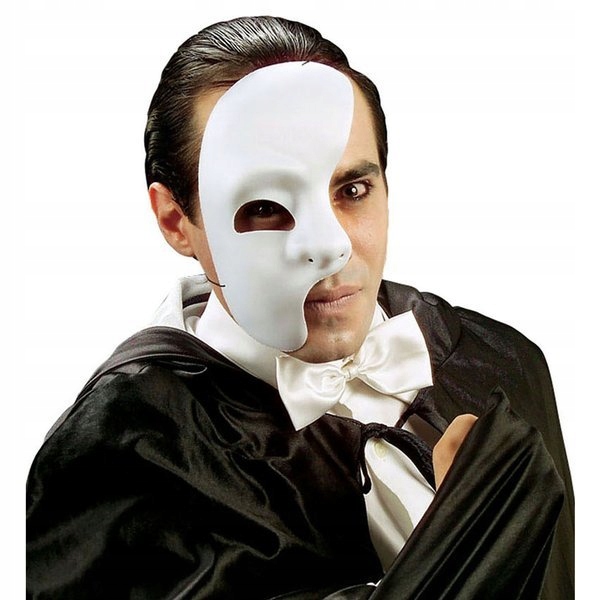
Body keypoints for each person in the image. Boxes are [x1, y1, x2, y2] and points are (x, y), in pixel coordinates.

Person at [26, 16, 574, 599]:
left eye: (352, 190)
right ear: (176, 221)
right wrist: (475, 548)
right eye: (265, 208)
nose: (330, 246)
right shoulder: (125, 457)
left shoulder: (499, 361)